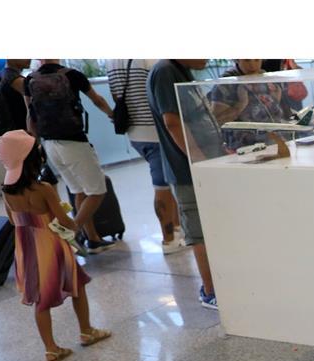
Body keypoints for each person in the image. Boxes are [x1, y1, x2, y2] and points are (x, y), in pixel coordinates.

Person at [0, 130, 110, 361]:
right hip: (52, 245)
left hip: (27, 250)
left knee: (40, 299)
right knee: (76, 285)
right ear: (32, 159)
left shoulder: (7, 192)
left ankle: (50, 349)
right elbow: (64, 221)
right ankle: (87, 331)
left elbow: (11, 221)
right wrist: (73, 222)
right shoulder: (43, 189)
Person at [146, 59, 226, 309]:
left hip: (206, 166)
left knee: (214, 228)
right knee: (199, 232)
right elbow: (172, 121)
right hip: (187, 171)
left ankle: (222, 283)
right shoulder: (165, 72)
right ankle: (210, 291)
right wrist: (198, 161)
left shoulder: (182, 70)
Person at [24, 59, 115, 253]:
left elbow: (30, 115)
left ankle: (93, 240)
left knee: (79, 191)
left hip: (49, 144)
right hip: (74, 142)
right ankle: (70, 229)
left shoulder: (30, 79)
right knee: (97, 191)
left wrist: (36, 142)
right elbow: (97, 99)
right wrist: (112, 114)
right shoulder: (73, 75)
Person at [105, 59, 184, 255]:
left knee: (166, 181)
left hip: (134, 132)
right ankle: (169, 240)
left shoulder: (112, 62)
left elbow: (117, 95)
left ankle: (176, 228)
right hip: (156, 131)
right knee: (162, 186)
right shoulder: (151, 60)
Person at [210, 59, 291, 151]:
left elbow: (275, 113)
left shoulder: (268, 79)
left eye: (257, 60)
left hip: (274, 142)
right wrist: (241, 104)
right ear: (237, 59)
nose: (252, 66)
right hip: (244, 149)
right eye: (247, 60)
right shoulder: (226, 84)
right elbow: (216, 122)